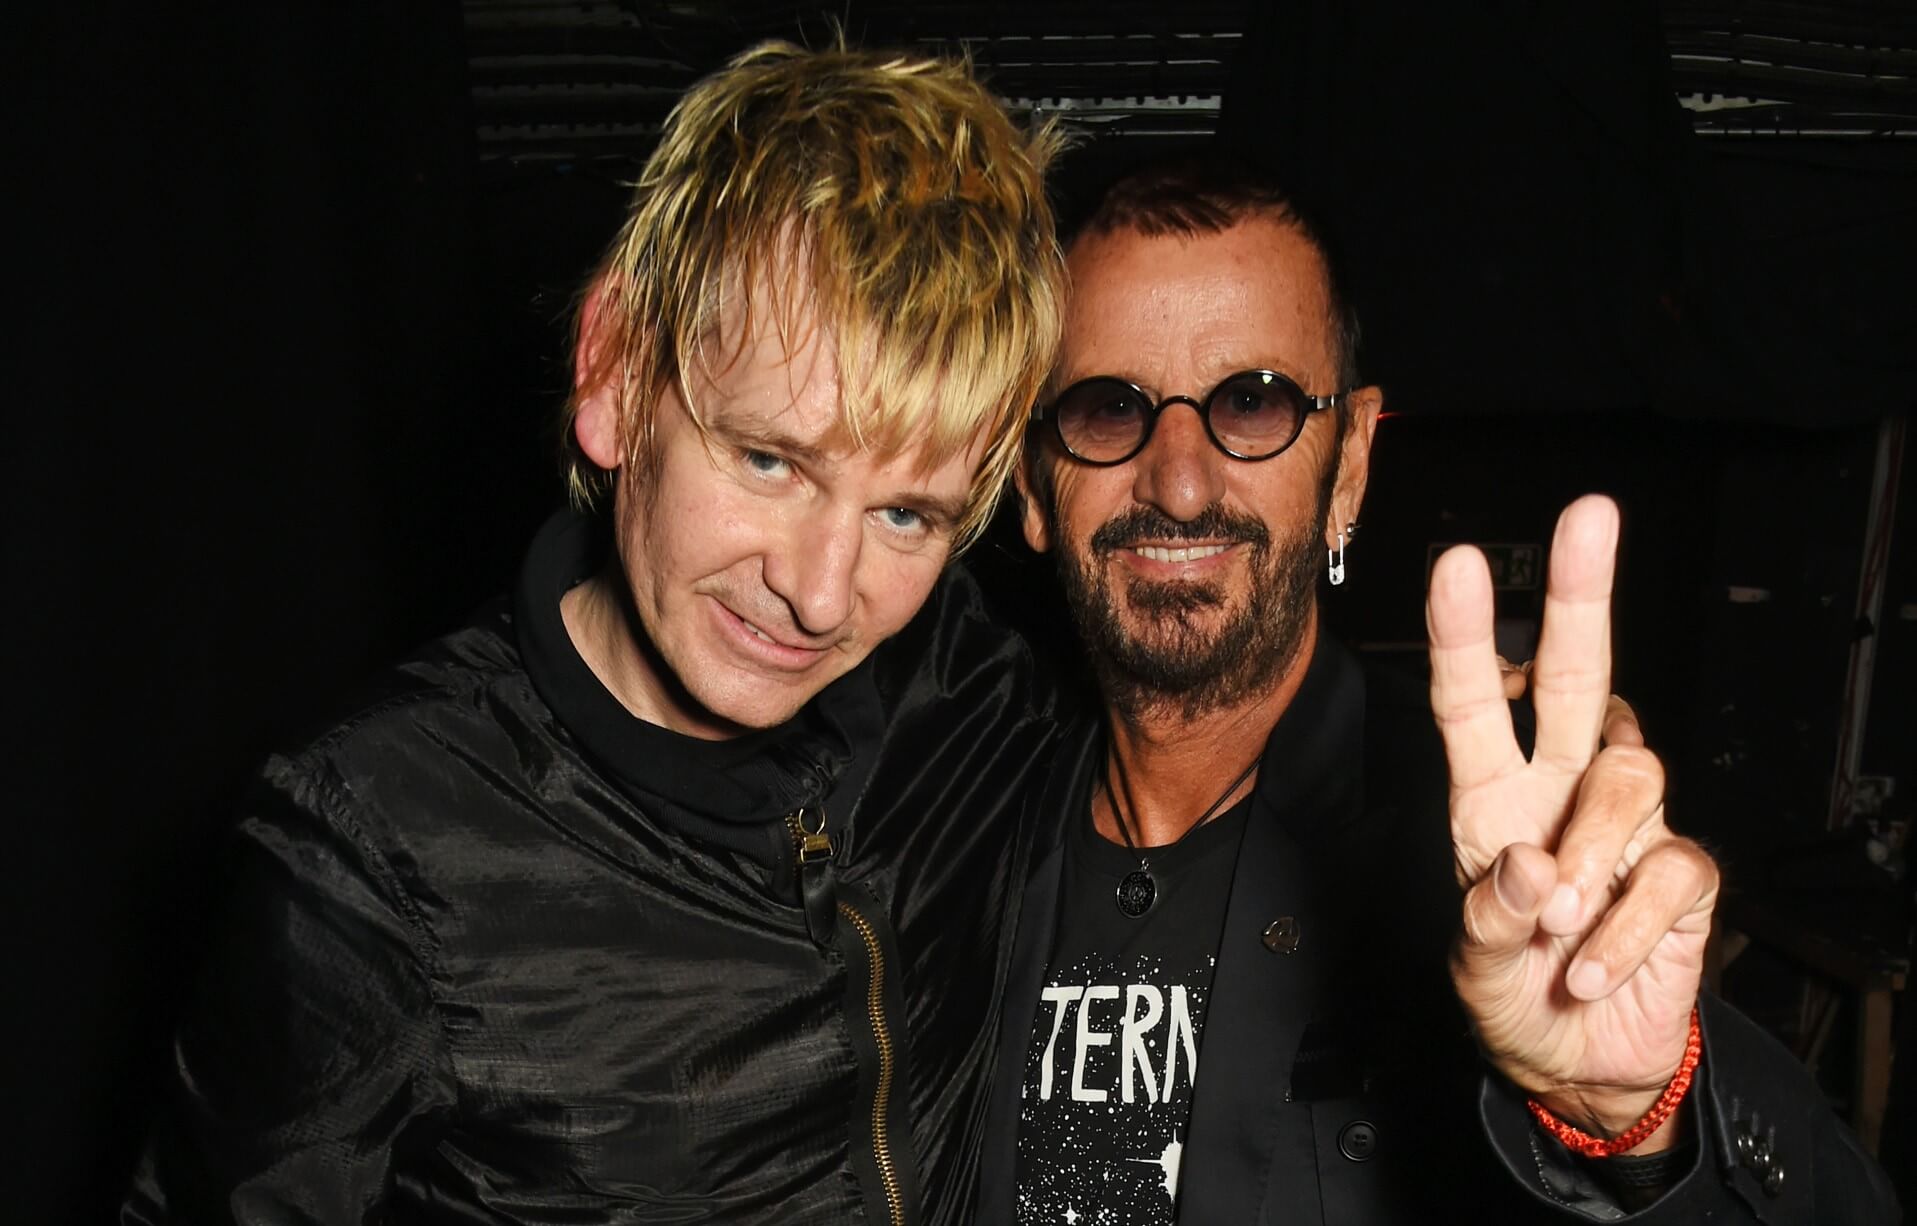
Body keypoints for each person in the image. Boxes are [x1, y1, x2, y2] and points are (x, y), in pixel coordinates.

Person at [123, 41, 1069, 1225]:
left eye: (904, 513)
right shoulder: (372, 856)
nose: (824, 594)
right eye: (769, 458)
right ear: (616, 370)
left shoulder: (972, 690)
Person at [975, 161, 1899, 1223]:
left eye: (1254, 400)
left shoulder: (1483, 847)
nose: (1180, 480)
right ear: (1033, 483)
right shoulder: (950, 829)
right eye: (1105, 407)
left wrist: (1628, 1118)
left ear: (1352, 461)